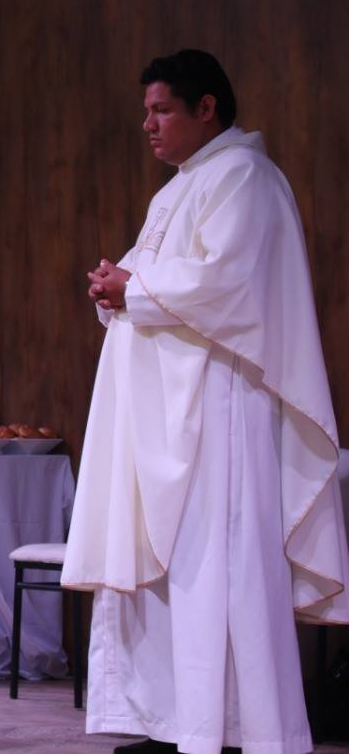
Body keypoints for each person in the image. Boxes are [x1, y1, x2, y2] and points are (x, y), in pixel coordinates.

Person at [62, 49, 349, 754]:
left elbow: (228, 284)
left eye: (161, 110)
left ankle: (242, 728)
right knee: (175, 575)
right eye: (145, 112)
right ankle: (181, 723)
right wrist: (117, 286)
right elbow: (153, 277)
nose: (148, 126)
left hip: (219, 414)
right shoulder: (178, 189)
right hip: (169, 417)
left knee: (219, 568)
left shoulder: (246, 179)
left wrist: (135, 288)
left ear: (207, 108)